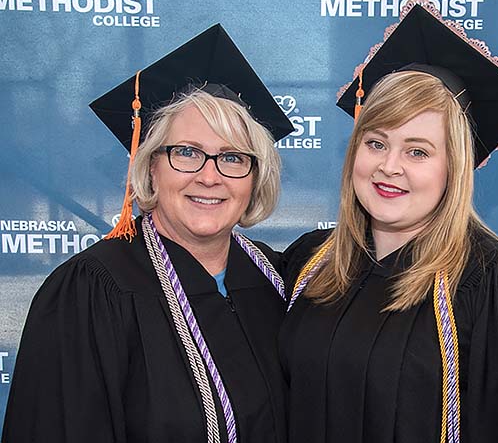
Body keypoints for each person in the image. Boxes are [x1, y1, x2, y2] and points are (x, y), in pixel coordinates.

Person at [280, 1, 498, 443]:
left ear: (454, 168)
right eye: (376, 142)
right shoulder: (312, 261)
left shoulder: (497, 288)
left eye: (418, 151)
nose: (389, 166)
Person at [3, 25, 293, 443]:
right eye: (187, 152)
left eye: (232, 157)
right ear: (151, 167)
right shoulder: (92, 292)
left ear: (254, 177)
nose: (209, 176)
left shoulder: (276, 277)